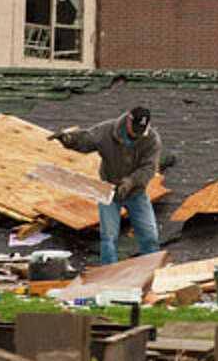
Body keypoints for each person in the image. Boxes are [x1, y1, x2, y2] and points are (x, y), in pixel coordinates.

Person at [50, 106, 161, 265]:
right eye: (135, 129)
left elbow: (149, 168)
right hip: (109, 190)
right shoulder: (108, 130)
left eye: (141, 130)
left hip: (136, 192)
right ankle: (108, 275)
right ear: (128, 120)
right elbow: (87, 139)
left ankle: (152, 271)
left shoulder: (151, 139)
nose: (137, 134)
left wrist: (130, 182)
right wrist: (69, 140)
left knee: (150, 236)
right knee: (108, 237)